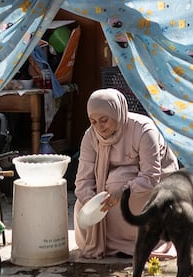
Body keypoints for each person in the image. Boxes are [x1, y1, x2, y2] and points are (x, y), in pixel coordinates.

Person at [73, 87, 178, 259]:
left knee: (119, 183)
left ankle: (146, 240)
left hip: (152, 187)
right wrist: (90, 202)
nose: (99, 127)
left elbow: (151, 176)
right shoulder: (91, 136)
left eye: (104, 120)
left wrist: (122, 191)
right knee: (80, 207)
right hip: (108, 192)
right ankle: (107, 243)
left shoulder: (143, 130)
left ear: (117, 113)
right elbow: (83, 178)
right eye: (93, 121)